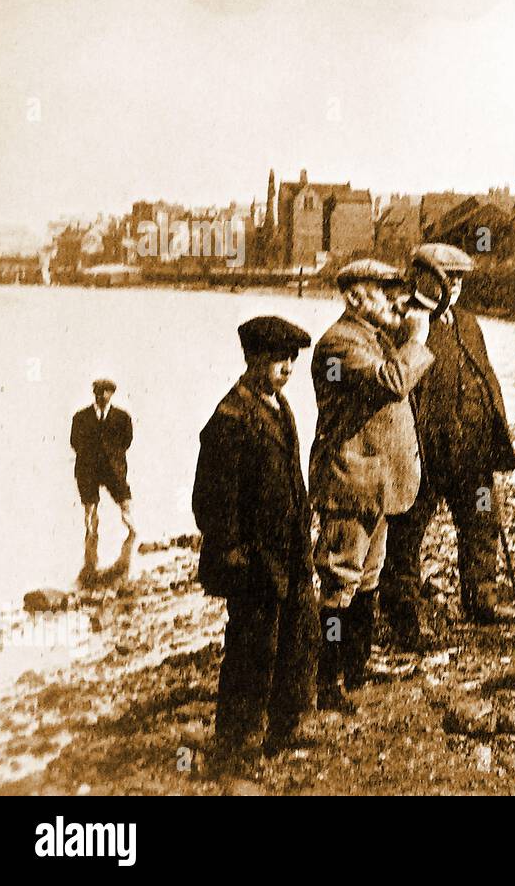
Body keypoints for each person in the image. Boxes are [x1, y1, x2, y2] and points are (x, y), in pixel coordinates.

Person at [192, 316, 318, 763]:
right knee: (250, 649)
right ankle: (237, 743)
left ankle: (287, 726)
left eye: (293, 360)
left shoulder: (280, 407)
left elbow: (291, 479)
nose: (289, 369)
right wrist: (235, 554)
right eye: (280, 360)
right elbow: (209, 501)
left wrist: (304, 539)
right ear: (254, 360)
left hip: (289, 551)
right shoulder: (230, 418)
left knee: (297, 639)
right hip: (253, 559)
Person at [381, 244, 515, 645]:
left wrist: (494, 436)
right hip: (424, 453)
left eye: (460, 278)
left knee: (481, 524)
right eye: (448, 277)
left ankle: (482, 600)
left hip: (471, 456)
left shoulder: (468, 322)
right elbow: (395, 382)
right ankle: (402, 614)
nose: (455, 286)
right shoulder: (405, 323)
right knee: (406, 533)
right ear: (424, 278)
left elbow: (486, 378)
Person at [309, 259, 433, 712]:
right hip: (351, 480)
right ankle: (327, 681)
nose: (396, 299)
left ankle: (356, 667)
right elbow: (392, 383)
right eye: (385, 291)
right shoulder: (340, 343)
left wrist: (408, 333)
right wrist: (416, 340)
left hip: (377, 481)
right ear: (356, 297)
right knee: (339, 582)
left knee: (367, 579)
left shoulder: (373, 337)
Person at [70, 379, 135, 576]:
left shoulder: (122, 417)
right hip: (88, 467)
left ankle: (132, 534)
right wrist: (89, 455)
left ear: (111, 394)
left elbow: (127, 440)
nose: (102, 396)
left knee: (124, 501)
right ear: (94, 394)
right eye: (99, 392)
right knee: (90, 508)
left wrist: (114, 456)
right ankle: (91, 546)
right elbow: (75, 441)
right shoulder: (81, 417)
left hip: (113, 468)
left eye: (106, 392)